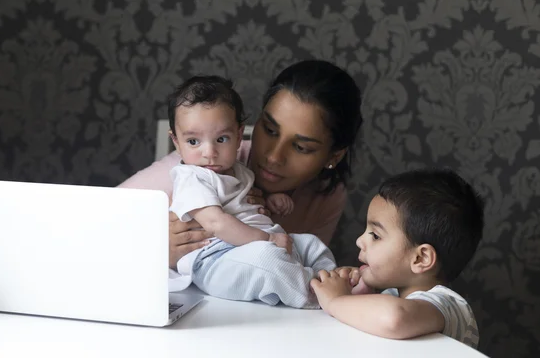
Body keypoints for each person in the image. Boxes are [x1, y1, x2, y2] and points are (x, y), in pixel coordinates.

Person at [118, 60, 364, 274]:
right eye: (269, 130)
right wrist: (153, 251)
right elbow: (92, 223)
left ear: (334, 155)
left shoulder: (327, 194)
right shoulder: (202, 168)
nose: (274, 156)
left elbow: (301, 270)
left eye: (301, 147)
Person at [166, 75, 340, 308]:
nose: (209, 152)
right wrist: (266, 238)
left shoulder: (237, 170)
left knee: (309, 244)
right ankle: (319, 297)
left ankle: (336, 282)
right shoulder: (192, 178)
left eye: (221, 139)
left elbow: (241, 201)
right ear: (176, 142)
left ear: (239, 136)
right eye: (193, 142)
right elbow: (217, 223)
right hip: (215, 259)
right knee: (266, 261)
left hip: (251, 246)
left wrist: (271, 200)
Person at [310, 169, 484, 348]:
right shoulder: (393, 296)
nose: (359, 241)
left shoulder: (448, 305)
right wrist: (356, 293)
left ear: (420, 258)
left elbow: (394, 318)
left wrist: (336, 301)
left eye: (375, 235)